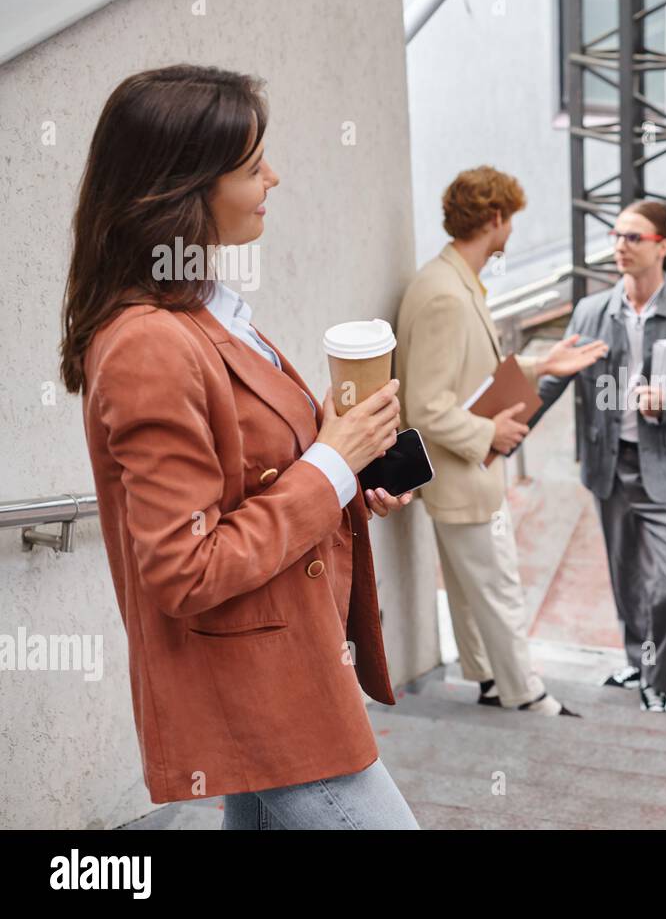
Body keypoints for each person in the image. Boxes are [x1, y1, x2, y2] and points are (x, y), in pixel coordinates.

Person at [61, 65, 420, 829]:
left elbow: (248, 481)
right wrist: (329, 465)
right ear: (184, 188)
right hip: (267, 697)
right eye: (253, 166)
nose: (274, 178)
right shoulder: (149, 345)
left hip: (281, 676)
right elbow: (184, 568)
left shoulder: (201, 312)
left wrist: (348, 463)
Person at [396, 166, 607, 716]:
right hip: (463, 475)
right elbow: (427, 405)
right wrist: (492, 431)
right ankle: (525, 694)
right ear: (495, 219)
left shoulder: (449, 279)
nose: (511, 229)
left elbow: (472, 370)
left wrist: (541, 364)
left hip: (456, 477)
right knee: (498, 587)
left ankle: (490, 680)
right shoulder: (446, 294)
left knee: (472, 589)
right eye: (511, 219)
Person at [531, 201, 666, 712]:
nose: (620, 246)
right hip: (610, 467)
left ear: (662, 246)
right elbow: (550, 383)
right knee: (626, 575)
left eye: (634, 237)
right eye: (616, 236)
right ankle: (639, 663)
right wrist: (496, 435)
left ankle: (657, 671)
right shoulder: (590, 313)